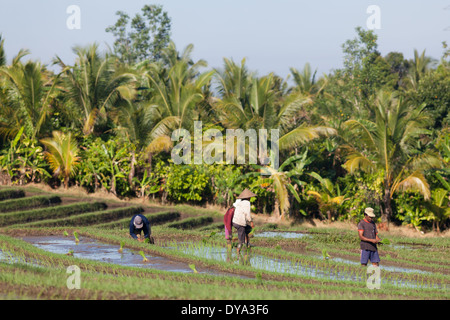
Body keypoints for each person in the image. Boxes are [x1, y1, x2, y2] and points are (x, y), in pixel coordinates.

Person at [232, 188, 256, 254]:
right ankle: (238, 251)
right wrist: (251, 221)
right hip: (240, 223)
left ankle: (247, 244)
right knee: (241, 239)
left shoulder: (240, 202)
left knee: (247, 229)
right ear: (248, 197)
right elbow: (247, 214)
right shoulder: (247, 203)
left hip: (235, 221)